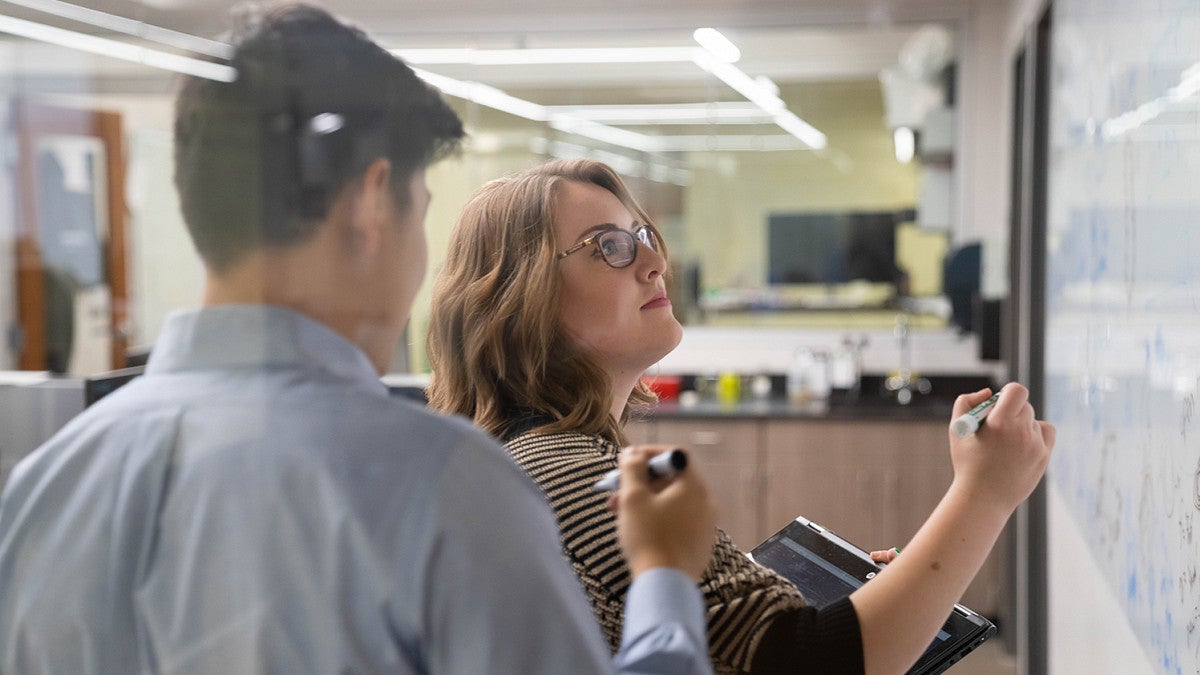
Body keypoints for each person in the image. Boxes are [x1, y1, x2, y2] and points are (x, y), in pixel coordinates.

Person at [0, 8, 718, 674]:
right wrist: (664, 578)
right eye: (421, 213)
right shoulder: (442, 487)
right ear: (374, 203)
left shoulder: (43, 489)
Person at [426, 158, 1056, 675]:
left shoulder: (519, 457)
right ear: (521, 295)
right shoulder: (572, 475)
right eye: (611, 248)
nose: (654, 263)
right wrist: (986, 492)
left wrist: (842, 604)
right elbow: (815, 663)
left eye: (644, 238)